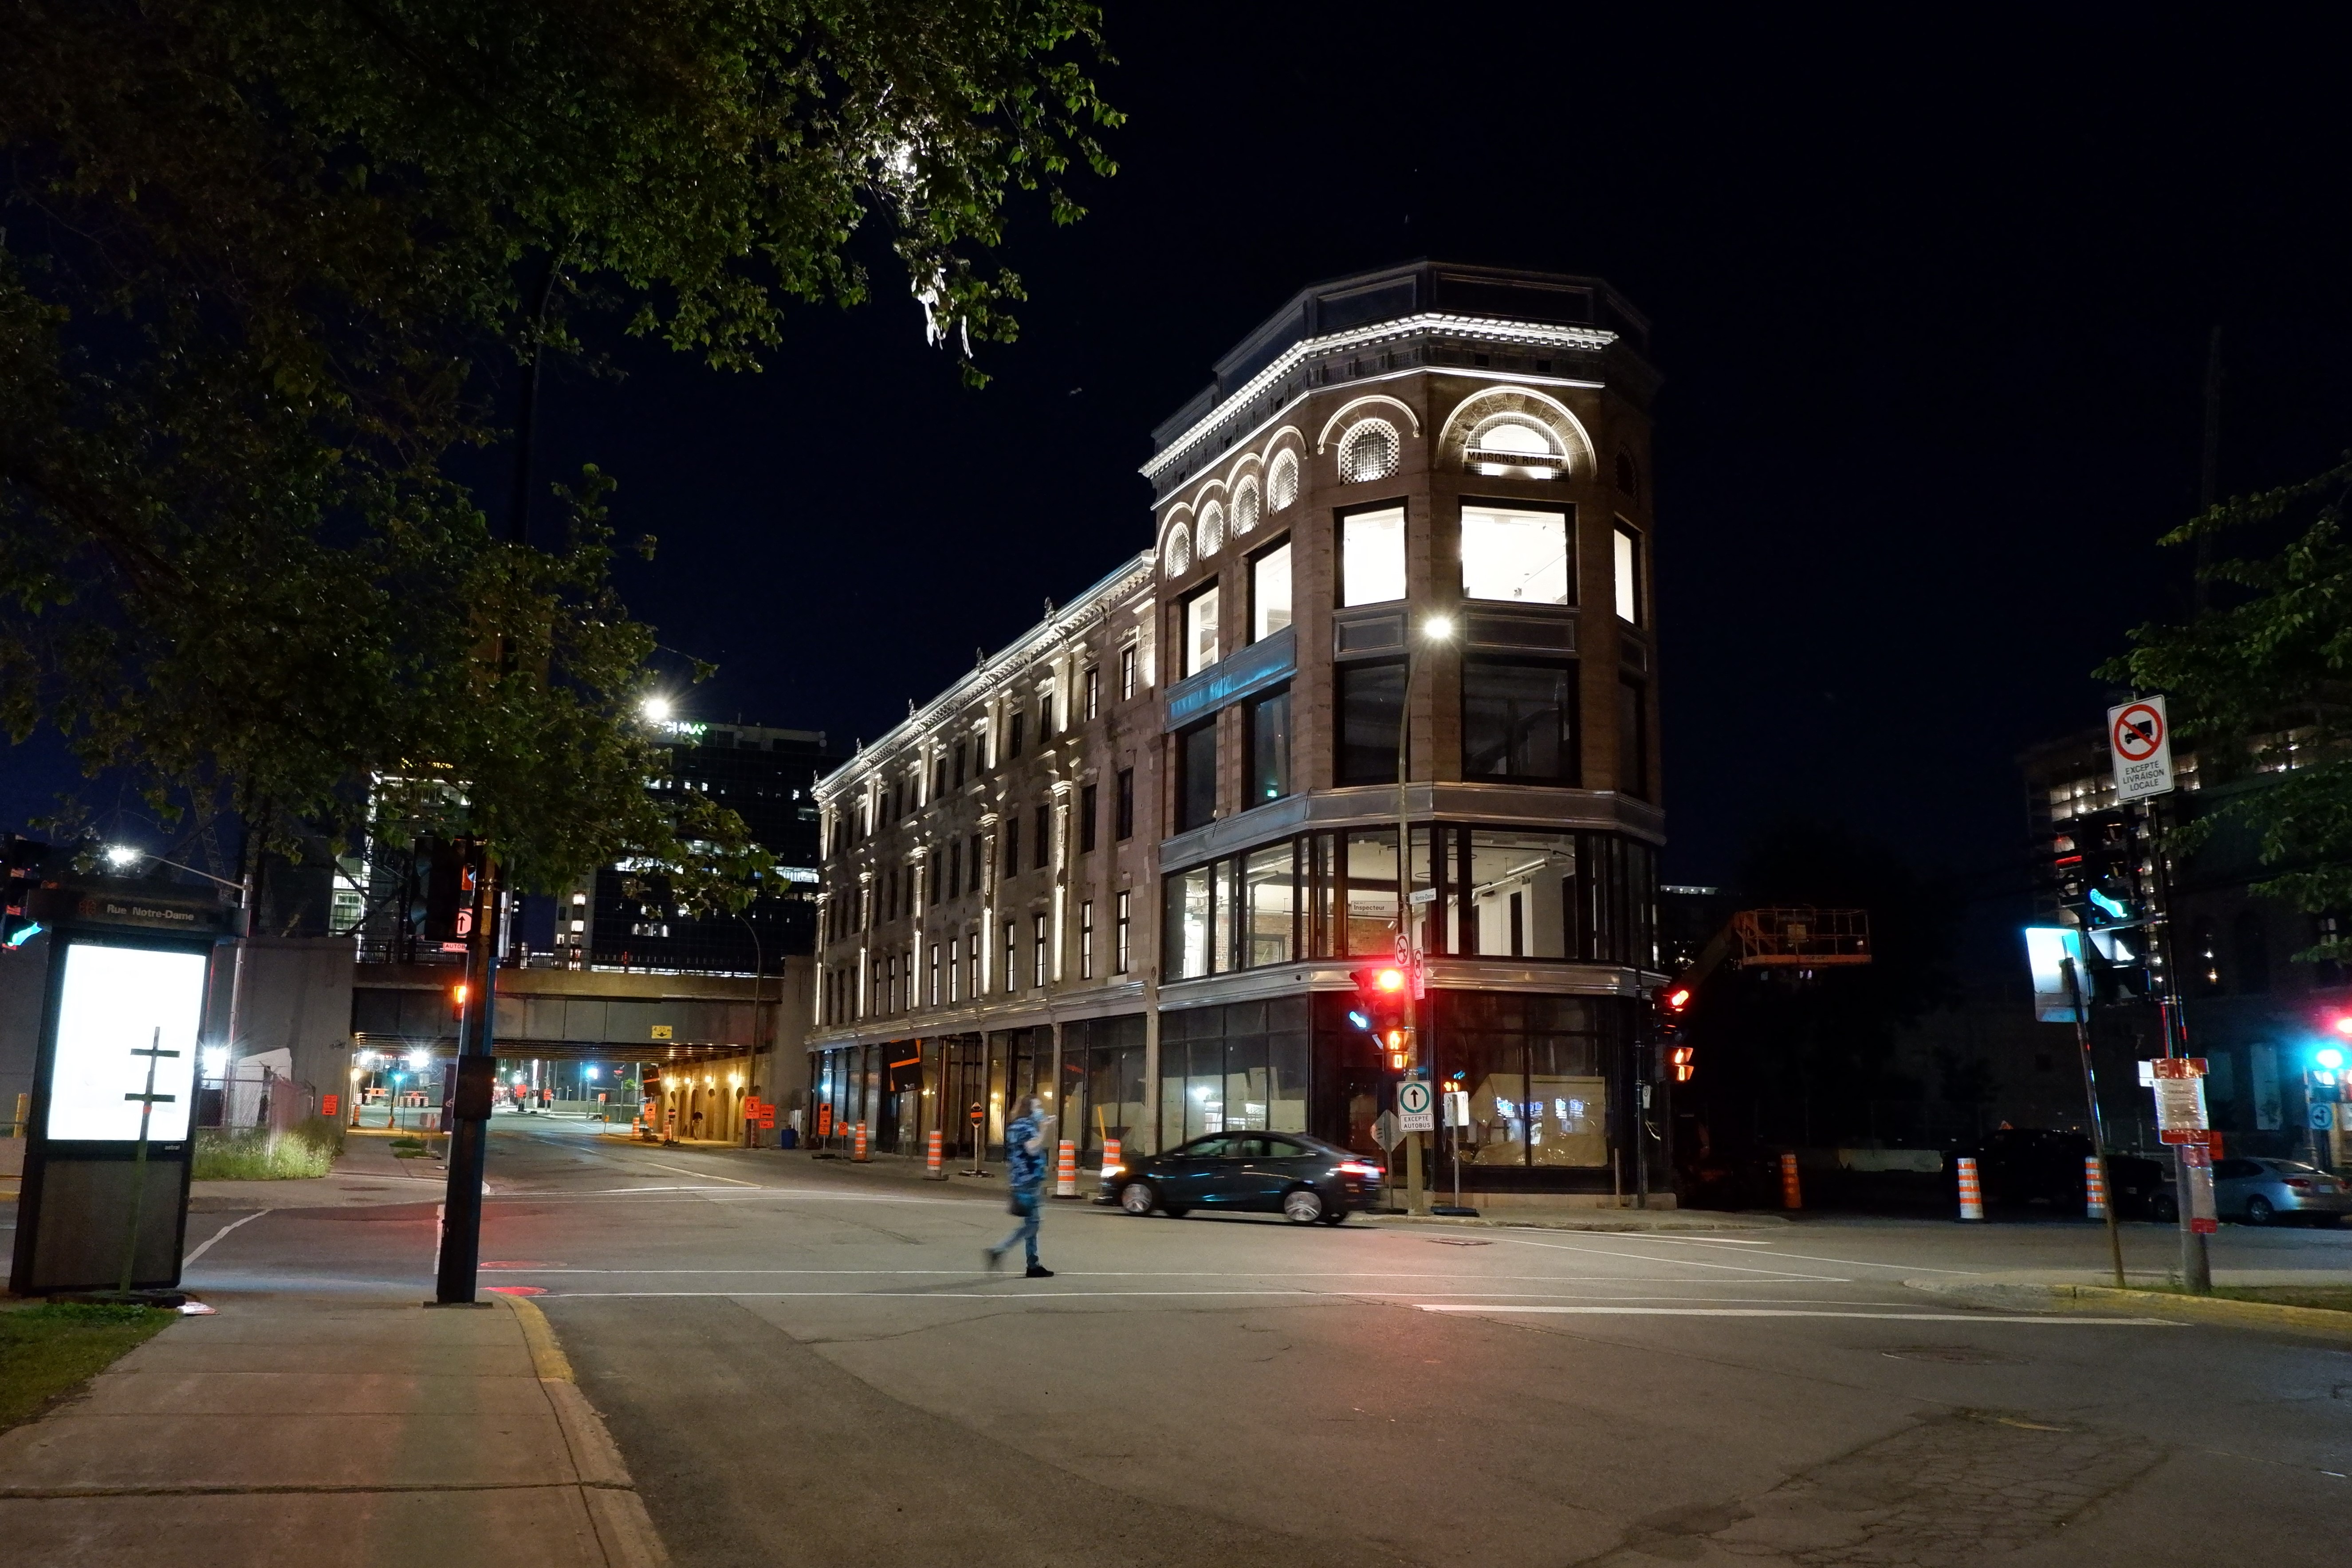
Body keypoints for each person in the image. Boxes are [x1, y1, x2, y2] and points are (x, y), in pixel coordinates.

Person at [987, 1094, 1055, 1278]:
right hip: (1028, 1180)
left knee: (1031, 1222)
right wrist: (1043, 1129)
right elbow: (1032, 1148)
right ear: (1029, 1109)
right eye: (1038, 1107)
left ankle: (1033, 1264)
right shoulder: (1026, 1126)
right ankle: (1000, 1250)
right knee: (1033, 1225)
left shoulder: (1016, 1125)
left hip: (1020, 1178)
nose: (1041, 1110)